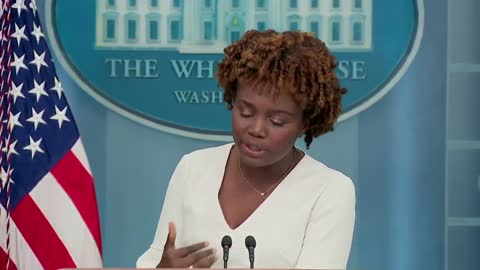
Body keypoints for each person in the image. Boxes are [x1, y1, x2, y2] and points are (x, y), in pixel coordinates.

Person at [137, 29, 355, 269]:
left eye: (277, 121)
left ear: (305, 122)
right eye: (246, 112)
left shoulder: (330, 191)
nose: (256, 129)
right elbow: (155, 259)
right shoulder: (193, 168)